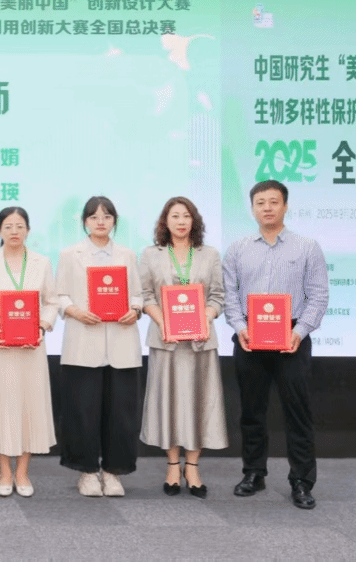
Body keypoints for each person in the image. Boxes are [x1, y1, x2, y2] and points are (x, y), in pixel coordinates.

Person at [223, 179, 329, 510]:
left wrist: (302, 331)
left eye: (273, 201)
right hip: (250, 337)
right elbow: (229, 294)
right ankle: (254, 472)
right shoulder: (238, 248)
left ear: (285, 206)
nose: (267, 208)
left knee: (298, 411)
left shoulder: (307, 247)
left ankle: (302, 481)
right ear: (252, 208)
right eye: (260, 202)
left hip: (292, 337)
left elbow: (318, 295)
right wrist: (240, 327)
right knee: (251, 410)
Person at [138, 196, 227, 498]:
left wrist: (206, 317)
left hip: (200, 342)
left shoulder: (209, 254)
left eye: (186, 216)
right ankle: (173, 465)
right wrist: (164, 322)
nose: (180, 221)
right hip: (167, 341)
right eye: (174, 216)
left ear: (194, 220)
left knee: (199, 402)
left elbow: (218, 296)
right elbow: (145, 295)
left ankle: (193, 467)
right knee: (170, 403)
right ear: (165, 221)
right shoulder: (151, 254)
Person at [56, 196, 143, 497]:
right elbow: (59, 295)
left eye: (106, 216)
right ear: (85, 222)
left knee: (121, 414)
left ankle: (113, 472)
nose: (100, 222)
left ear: (114, 221)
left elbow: (138, 294)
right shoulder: (70, 255)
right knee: (83, 411)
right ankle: (88, 472)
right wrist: (75, 311)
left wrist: (135, 309)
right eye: (94, 217)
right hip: (83, 341)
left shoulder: (127, 255)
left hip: (121, 342)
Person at [0, 206, 58, 498]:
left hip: (31, 348)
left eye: (20, 226)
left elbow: (51, 302)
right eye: (8, 226)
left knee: (29, 406)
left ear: (28, 230)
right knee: (1, 407)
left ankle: (22, 472)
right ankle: (5, 471)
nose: (14, 231)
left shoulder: (42, 262)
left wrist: (42, 327)